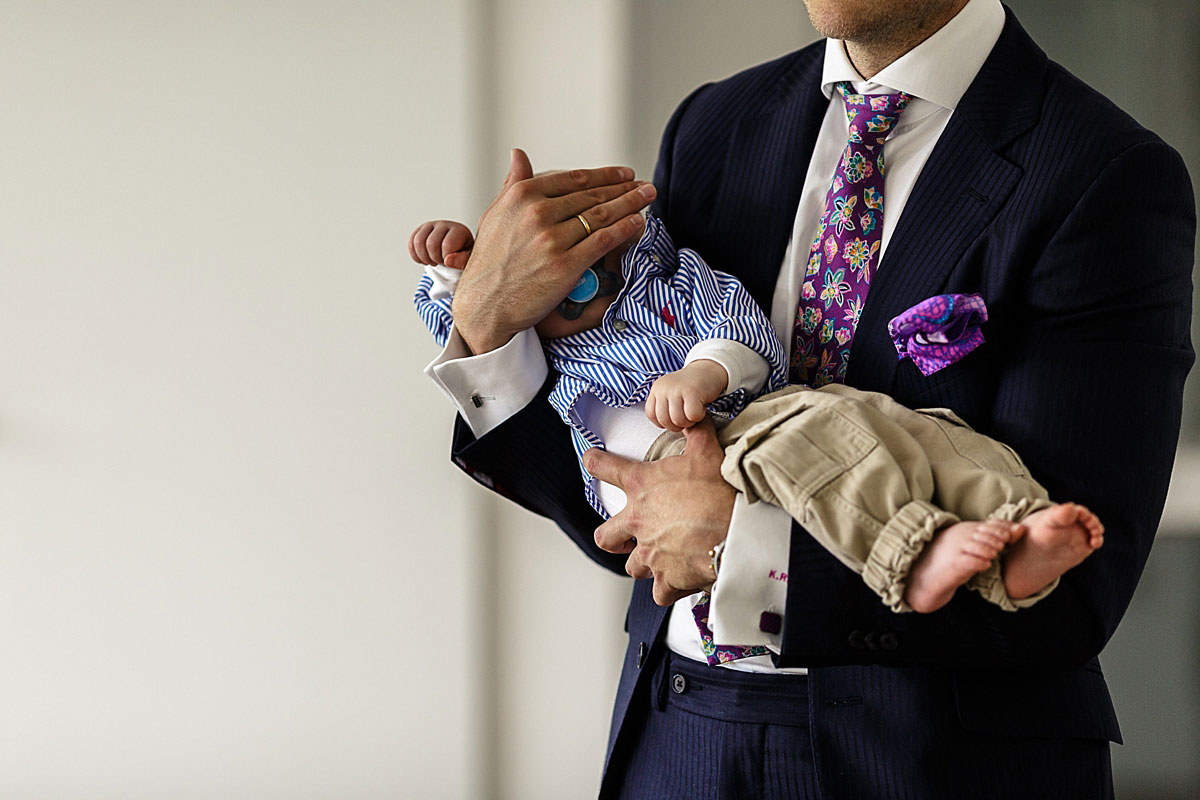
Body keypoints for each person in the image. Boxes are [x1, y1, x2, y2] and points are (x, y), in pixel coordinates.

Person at [422, 0, 1195, 796]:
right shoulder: (714, 124)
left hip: (930, 765)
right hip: (679, 737)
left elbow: (1071, 594)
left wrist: (738, 539)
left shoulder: (1105, 173)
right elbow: (628, 497)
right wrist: (487, 326)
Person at [411, 212, 1104, 616]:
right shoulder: (547, 346)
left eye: (592, 269)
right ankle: (908, 552)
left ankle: (1016, 521)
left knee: (913, 426)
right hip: (656, 459)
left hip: (749, 407)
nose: (576, 294)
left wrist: (704, 370)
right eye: (550, 285)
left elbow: (736, 323)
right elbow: (469, 321)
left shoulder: (671, 282)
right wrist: (457, 265)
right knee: (822, 447)